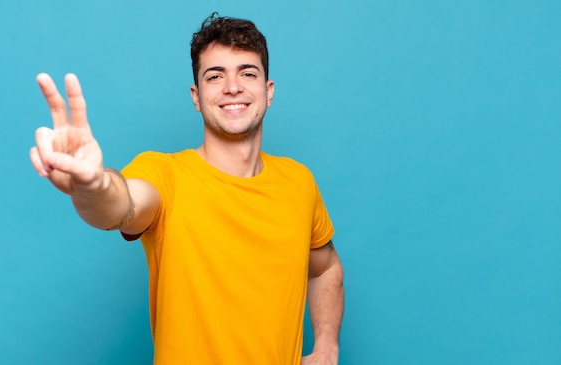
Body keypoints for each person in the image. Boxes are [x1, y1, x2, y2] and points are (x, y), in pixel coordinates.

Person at [30, 13, 344, 365]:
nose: (233, 87)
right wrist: (93, 185)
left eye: (247, 73)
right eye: (215, 76)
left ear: (268, 92)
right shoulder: (166, 175)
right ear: (196, 96)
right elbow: (123, 206)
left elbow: (325, 267)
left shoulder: (299, 182)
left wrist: (327, 347)